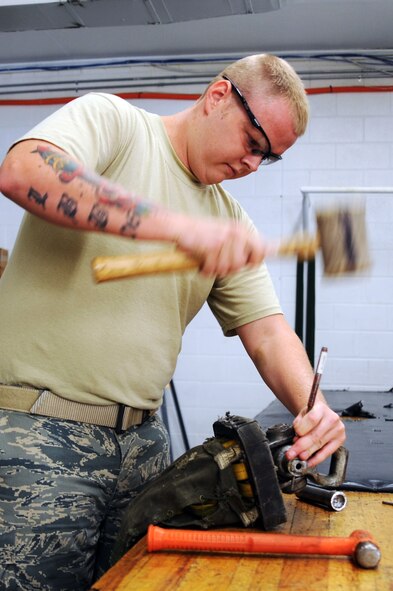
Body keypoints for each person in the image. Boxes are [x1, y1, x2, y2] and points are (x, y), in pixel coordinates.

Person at [0, 54, 345, 590]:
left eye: (270, 158)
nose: (254, 166)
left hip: (144, 446)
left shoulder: (228, 219)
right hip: (41, 437)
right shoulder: (116, 125)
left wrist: (313, 407)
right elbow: (25, 169)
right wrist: (172, 226)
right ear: (218, 96)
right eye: (254, 144)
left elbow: (269, 332)